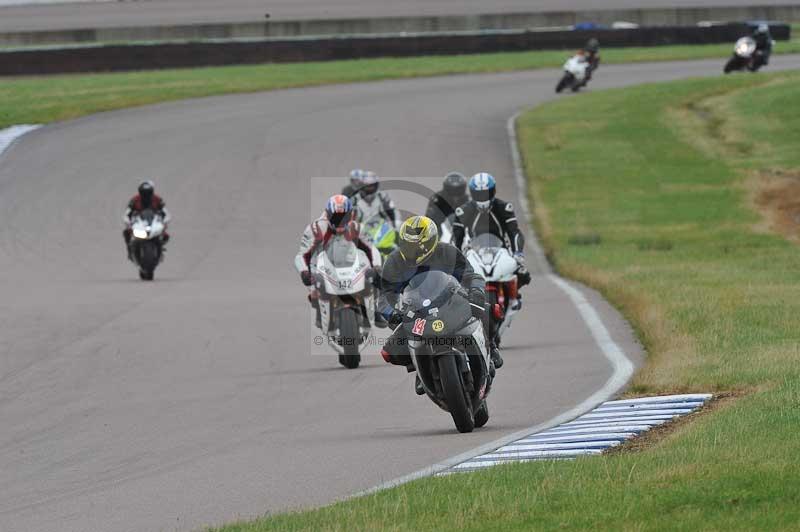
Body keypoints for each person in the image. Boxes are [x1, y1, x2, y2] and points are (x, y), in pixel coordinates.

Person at [376, 216, 503, 392]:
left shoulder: (447, 252)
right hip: (416, 310)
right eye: (408, 245)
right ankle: (418, 368)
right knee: (390, 351)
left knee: (489, 309)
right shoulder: (395, 261)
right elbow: (385, 296)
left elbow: (470, 276)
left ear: (430, 242)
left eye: (417, 246)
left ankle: (492, 346)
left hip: (450, 299)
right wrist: (392, 312)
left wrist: (476, 292)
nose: (412, 250)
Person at [294, 194, 381, 327]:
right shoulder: (316, 229)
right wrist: (304, 272)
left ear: (350, 215)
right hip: (321, 265)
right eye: (336, 218)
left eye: (343, 217)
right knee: (315, 294)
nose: (340, 221)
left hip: (349, 263)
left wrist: (376, 267)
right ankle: (320, 313)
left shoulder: (356, 228)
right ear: (328, 215)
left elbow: (371, 248)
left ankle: (373, 309)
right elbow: (301, 255)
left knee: (374, 279)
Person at [453, 172, 532, 292]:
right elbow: (456, 238)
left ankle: (514, 295)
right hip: (474, 251)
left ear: (493, 191)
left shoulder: (504, 208)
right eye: (479, 194)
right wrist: (456, 260)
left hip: (502, 249)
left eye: (486, 193)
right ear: (472, 193)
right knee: (456, 280)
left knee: (524, 275)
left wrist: (518, 253)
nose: (482, 197)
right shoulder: (463, 211)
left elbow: (514, 232)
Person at [123, 180, 171, 261]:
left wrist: (165, 221)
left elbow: (165, 212)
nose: (146, 195)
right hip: (139, 222)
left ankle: (160, 248)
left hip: (154, 221)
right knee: (126, 232)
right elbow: (127, 213)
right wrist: (128, 222)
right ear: (140, 192)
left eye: (148, 193)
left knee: (166, 236)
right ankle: (129, 249)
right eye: (144, 193)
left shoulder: (157, 199)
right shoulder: (135, 200)